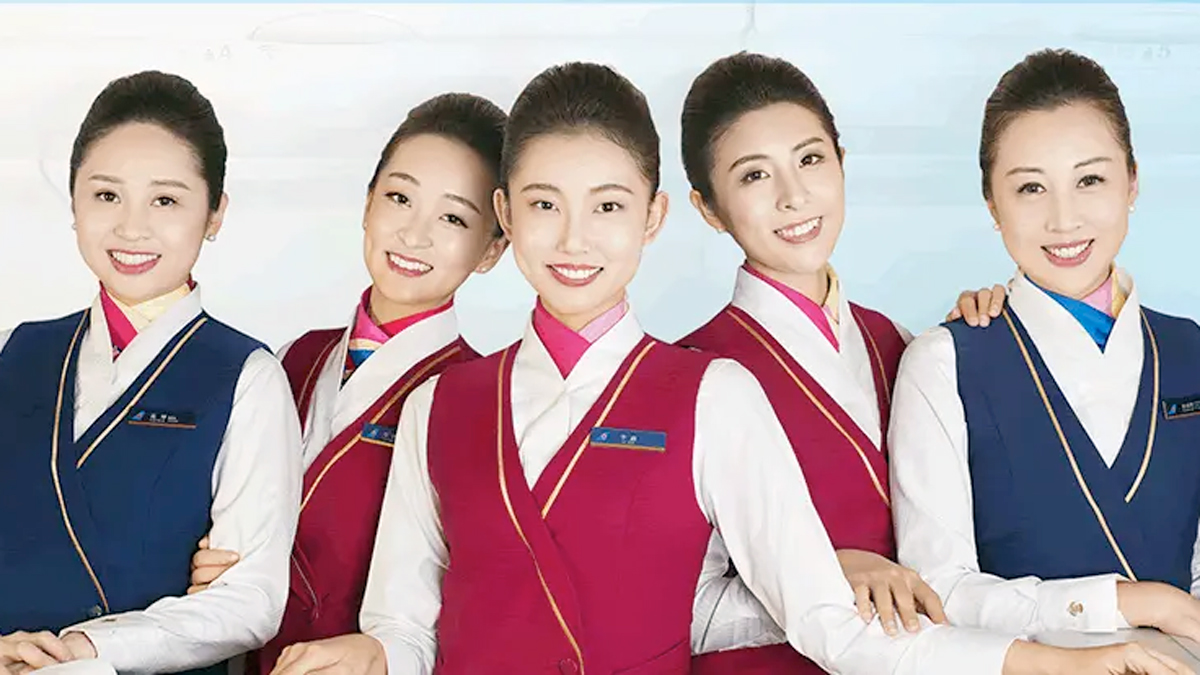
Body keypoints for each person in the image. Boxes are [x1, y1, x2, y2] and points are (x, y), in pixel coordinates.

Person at [271, 60, 1190, 675]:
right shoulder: (444, 401)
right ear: (506, 216)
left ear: (656, 216)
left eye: (608, 204)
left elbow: (828, 619)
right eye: (545, 205)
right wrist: (375, 652)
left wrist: (1058, 658)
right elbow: (405, 619)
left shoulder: (713, 390)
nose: (576, 238)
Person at [675, 51, 1001, 674]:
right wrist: (826, 575)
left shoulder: (901, 345)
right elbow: (676, 607)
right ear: (709, 209)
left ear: (842, 164)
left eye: (810, 159)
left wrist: (994, 336)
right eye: (753, 176)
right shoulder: (688, 372)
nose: (795, 196)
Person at [187, 92, 509, 674]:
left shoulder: (483, 398)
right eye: (399, 197)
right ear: (367, 204)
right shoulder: (289, 361)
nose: (414, 234)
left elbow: (485, 597)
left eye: (454, 217)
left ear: (492, 248)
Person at [890, 47, 1200, 649]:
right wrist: (1135, 604)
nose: (1064, 219)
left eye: (1090, 179)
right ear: (992, 206)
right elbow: (939, 589)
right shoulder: (944, 363)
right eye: (1031, 188)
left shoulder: (1190, 351)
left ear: (1132, 182)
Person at [0, 71, 300, 674]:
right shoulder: (19, 351)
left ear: (214, 214)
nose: (132, 228)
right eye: (106, 195)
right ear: (75, 201)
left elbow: (250, 601)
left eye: (165, 200)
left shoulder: (246, 376)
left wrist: (85, 650)